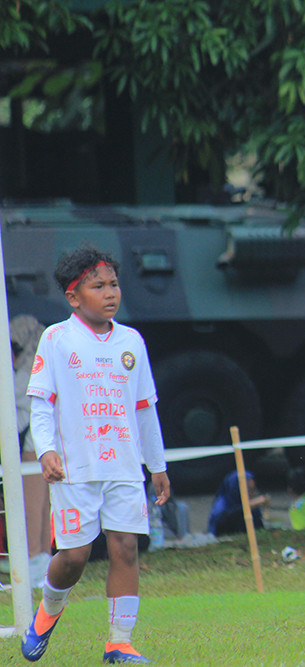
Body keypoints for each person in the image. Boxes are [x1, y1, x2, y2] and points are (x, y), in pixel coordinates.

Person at [22, 244, 170, 664]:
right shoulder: (56, 339)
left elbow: (144, 409)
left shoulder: (132, 342)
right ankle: (45, 617)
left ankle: (119, 642)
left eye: (114, 284)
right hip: (74, 470)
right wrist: (47, 450)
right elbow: (41, 404)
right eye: (98, 286)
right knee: (73, 557)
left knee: (125, 547)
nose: (110, 293)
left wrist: (156, 466)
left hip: (123, 467)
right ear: (73, 297)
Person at [10, 314, 52, 588]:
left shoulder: (24, 372)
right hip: (45, 444)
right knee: (43, 504)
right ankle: (42, 559)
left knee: (31, 506)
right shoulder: (43, 359)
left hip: (31, 446)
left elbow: (18, 402)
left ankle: (34, 560)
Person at [207, 470, 269, 536]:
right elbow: (221, 524)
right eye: (248, 490)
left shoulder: (252, 508)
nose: (252, 494)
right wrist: (246, 507)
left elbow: (259, 530)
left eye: (253, 490)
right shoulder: (221, 506)